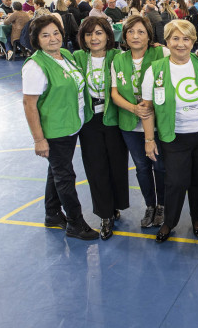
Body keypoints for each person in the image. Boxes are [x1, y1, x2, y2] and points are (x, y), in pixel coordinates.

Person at [142, 19, 198, 242]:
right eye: (175, 38)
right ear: (166, 41)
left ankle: (197, 218)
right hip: (173, 135)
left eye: (186, 38)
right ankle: (169, 222)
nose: (181, 44)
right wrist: (149, 139)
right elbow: (147, 108)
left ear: (194, 41)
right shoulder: (155, 70)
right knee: (175, 182)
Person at [21, 15, 97, 240]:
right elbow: (29, 104)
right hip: (55, 130)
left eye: (56, 33)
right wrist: (38, 139)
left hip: (72, 124)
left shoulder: (64, 55)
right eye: (45, 35)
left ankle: (52, 213)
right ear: (36, 40)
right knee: (64, 175)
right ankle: (75, 222)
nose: (53, 39)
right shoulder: (36, 65)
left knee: (56, 169)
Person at [111, 16, 170, 228]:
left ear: (149, 35)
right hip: (130, 124)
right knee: (142, 167)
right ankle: (150, 206)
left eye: (141, 32)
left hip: (157, 122)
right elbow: (114, 93)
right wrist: (133, 108)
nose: (135, 36)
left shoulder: (161, 52)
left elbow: (183, 57)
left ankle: (163, 205)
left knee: (160, 166)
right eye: (130, 32)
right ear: (124, 35)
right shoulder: (118, 59)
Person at [73, 17, 128, 240]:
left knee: (117, 166)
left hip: (114, 118)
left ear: (108, 35)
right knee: (95, 169)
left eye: (98, 33)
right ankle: (105, 215)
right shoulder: (76, 57)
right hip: (88, 121)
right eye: (88, 34)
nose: (93, 38)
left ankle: (115, 205)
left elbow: (144, 56)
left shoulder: (118, 56)